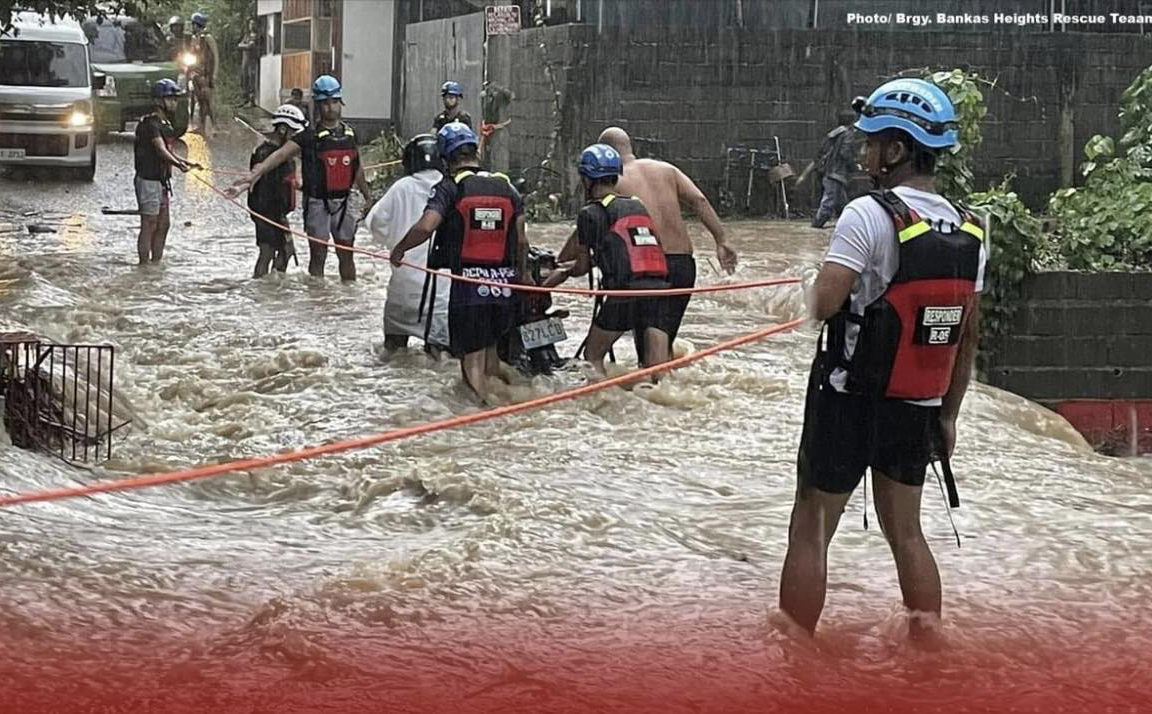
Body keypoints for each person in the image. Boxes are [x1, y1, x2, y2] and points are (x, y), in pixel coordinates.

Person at [778, 78, 988, 646]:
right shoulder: (970, 229)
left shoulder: (866, 215)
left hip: (849, 397)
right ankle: (928, 649)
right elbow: (966, 336)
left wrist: (807, 285)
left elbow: (823, 305)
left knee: (811, 526)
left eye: (871, 142)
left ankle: (791, 659)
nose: (863, 153)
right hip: (917, 404)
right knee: (908, 532)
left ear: (896, 150)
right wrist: (948, 415)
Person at [569, 127, 736, 364]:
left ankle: (645, 382)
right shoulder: (667, 169)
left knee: (645, 352)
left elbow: (589, 224)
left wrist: (561, 261)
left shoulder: (612, 181)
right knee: (662, 342)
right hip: (683, 266)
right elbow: (699, 200)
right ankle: (662, 381)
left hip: (645, 267)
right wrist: (721, 240)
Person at [390, 122, 528, 404]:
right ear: (475, 152)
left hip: (468, 291)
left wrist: (400, 249)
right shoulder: (507, 187)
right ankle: (514, 403)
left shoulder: (450, 187)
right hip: (504, 290)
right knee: (491, 359)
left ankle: (481, 414)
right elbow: (522, 241)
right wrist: (523, 278)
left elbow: (426, 226)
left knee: (472, 364)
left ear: (445, 158)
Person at [228, 75, 373, 281]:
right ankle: (317, 296)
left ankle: (347, 296)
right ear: (318, 105)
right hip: (317, 203)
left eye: (334, 102)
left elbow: (356, 166)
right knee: (318, 255)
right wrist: (254, 176)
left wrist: (368, 195)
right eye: (325, 103)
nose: (330, 107)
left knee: (347, 254)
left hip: (344, 202)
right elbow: (279, 155)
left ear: (340, 102)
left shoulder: (350, 134)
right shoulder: (308, 136)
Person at [549, 144, 671, 378]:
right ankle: (659, 397)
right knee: (657, 369)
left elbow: (581, 267)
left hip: (624, 293)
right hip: (659, 290)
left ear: (586, 179)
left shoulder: (590, 213)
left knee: (593, 356)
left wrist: (563, 271)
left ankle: (600, 397)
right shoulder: (637, 204)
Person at [366, 134, 449, 352]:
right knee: (440, 357)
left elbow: (375, 222)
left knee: (393, 351)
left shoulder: (401, 187)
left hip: (403, 289)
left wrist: (391, 242)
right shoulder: (450, 188)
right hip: (439, 293)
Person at [133, 79, 197, 265]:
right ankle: (144, 265)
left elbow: (167, 151)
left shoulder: (165, 124)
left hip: (161, 181)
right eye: (170, 99)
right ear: (158, 100)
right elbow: (160, 150)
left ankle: (156, 264)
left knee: (163, 225)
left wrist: (183, 161)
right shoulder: (150, 124)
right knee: (149, 223)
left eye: (174, 99)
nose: (174, 103)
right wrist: (178, 164)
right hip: (148, 180)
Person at [245, 104, 305, 278]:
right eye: (293, 133)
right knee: (267, 252)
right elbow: (260, 185)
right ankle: (262, 283)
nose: (295, 139)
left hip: (278, 213)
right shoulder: (264, 154)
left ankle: (275, 283)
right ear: (283, 130)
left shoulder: (286, 154)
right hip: (266, 213)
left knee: (287, 250)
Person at [810, 109, 861, 228]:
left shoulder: (834, 133)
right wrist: (854, 166)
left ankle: (848, 223)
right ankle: (817, 223)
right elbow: (845, 153)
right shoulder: (847, 134)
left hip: (829, 170)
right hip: (837, 172)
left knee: (842, 202)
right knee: (830, 200)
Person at [188, 12, 218, 134]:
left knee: (209, 100)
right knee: (200, 100)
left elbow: (216, 56)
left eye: (193, 24)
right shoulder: (194, 39)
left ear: (197, 25)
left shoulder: (208, 38)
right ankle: (202, 126)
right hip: (196, 73)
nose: (192, 27)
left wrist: (214, 74)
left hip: (206, 73)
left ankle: (215, 126)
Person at [237, 19, 258, 108]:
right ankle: (244, 99)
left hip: (252, 61)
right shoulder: (247, 35)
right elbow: (239, 45)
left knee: (251, 80)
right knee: (244, 79)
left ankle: (251, 100)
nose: (251, 26)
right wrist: (245, 45)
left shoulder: (257, 36)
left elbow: (250, 46)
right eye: (250, 24)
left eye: (253, 24)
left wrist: (245, 46)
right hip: (245, 61)